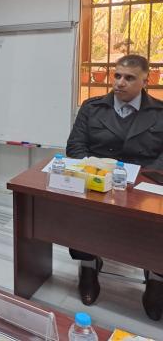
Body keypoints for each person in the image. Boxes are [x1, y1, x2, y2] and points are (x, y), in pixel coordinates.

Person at [66, 54, 163, 321]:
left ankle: (156, 280)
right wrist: (97, 173)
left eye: (129, 78)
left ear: (145, 80)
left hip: (145, 187)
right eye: (117, 75)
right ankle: (88, 266)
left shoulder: (160, 113)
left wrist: (142, 179)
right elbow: (75, 147)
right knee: (80, 213)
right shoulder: (92, 107)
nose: (120, 82)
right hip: (98, 183)